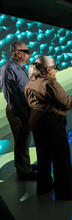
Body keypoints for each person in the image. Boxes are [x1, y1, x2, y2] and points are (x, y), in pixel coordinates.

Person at [24, 56, 72, 200]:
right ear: (48, 70)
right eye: (55, 67)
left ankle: (44, 187)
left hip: (35, 121)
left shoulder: (29, 84)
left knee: (43, 156)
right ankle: (65, 193)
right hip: (51, 123)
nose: (57, 70)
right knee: (61, 159)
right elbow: (68, 104)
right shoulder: (50, 83)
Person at [0, 41, 36, 180]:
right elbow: (11, 96)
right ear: (17, 53)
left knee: (25, 139)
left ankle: (25, 166)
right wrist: (22, 116)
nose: (29, 54)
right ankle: (24, 172)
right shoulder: (8, 68)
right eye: (26, 51)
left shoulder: (21, 68)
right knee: (21, 140)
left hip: (25, 109)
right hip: (17, 110)